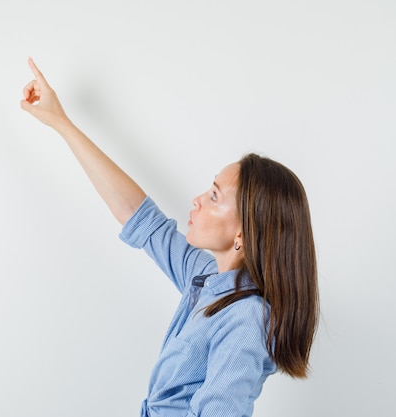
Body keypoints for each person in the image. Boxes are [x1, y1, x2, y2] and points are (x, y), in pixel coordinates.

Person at [20, 57, 319, 417]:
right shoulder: (206, 277)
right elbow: (139, 217)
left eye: (213, 196)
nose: (197, 200)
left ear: (243, 234)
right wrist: (60, 122)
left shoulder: (246, 320)